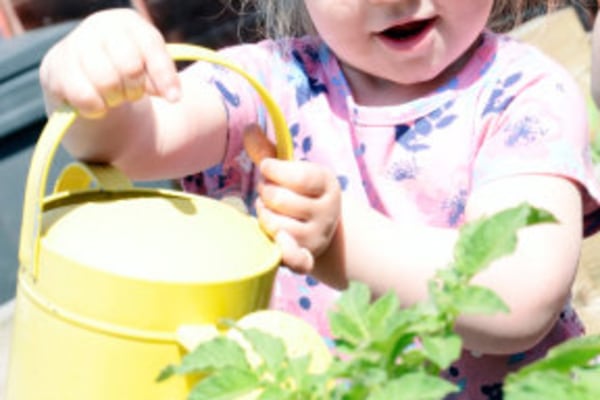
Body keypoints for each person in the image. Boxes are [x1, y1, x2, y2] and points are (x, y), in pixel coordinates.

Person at [39, 0, 600, 398]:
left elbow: (519, 295)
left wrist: (343, 246)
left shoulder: (525, 94)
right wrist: (94, 84)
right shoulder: (277, 82)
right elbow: (140, 144)